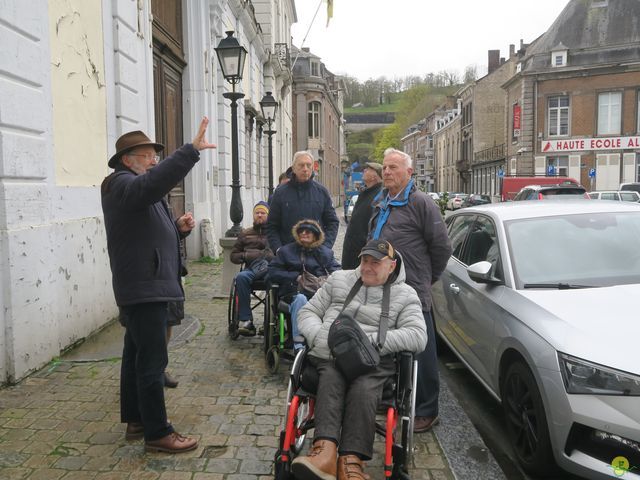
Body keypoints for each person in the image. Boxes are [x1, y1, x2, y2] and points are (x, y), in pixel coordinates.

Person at [101, 117, 216, 453]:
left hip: (147, 284)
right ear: (127, 159)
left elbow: (145, 228)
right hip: (143, 286)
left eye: (156, 156)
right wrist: (190, 151)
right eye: (148, 156)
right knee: (152, 362)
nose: (154, 161)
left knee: (136, 355)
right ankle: (158, 433)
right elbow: (149, 186)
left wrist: (177, 229)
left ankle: (137, 420)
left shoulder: (136, 188)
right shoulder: (120, 183)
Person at [292, 240, 427, 480]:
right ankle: (325, 452)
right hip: (331, 354)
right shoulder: (339, 280)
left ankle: (351, 461)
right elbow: (307, 312)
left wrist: (372, 341)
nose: (367, 267)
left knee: (364, 387)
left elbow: (418, 335)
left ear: (392, 265)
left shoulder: (406, 294)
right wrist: (319, 335)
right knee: (332, 376)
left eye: (376, 262)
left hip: (373, 361)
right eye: (365, 260)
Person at [368, 148, 452, 434]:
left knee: (421, 350)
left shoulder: (421, 203)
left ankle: (427, 409)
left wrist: (427, 278)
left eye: (393, 167)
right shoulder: (382, 202)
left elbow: (442, 248)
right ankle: (393, 395)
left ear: (409, 172)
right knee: (388, 343)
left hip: (413, 288)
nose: (387, 172)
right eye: (384, 168)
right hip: (383, 286)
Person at [267, 219, 340, 351]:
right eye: (301, 231)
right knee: (301, 300)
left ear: (316, 235)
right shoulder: (286, 252)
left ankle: (324, 342)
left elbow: (337, 271)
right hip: (293, 293)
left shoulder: (326, 253)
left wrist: (328, 280)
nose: (304, 233)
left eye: (308, 231)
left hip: (319, 294)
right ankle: (299, 344)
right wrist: (295, 277)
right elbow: (272, 272)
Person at [267, 151, 339, 252]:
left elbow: (332, 222)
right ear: (293, 168)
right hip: (288, 254)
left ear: (312, 168)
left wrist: (325, 247)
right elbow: (271, 225)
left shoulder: (322, 192)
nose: (305, 169)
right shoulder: (280, 193)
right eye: (301, 165)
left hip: (316, 254)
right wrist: (278, 249)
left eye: (308, 165)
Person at [230, 201, 274, 336]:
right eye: (257, 213)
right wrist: (246, 255)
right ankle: (246, 319)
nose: (259, 215)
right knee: (241, 277)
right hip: (251, 270)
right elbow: (233, 255)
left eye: (263, 213)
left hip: (269, 270)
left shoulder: (274, 234)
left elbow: (281, 253)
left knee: (275, 280)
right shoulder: (245, 233)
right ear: (253, 215)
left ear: (268, 215)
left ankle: (271, 321)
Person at [341, 162, 383, 269]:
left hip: (362, 255)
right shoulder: (366, 193)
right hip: (353, 253)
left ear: (375, 176)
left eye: (368, 169)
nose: (364, 170)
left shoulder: (379, 196)